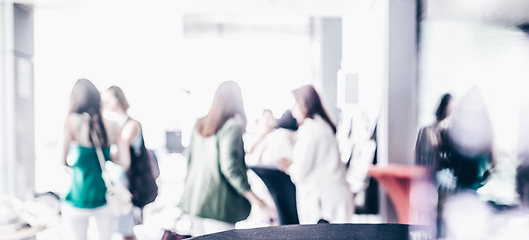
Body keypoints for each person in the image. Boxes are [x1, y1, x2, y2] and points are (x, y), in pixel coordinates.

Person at [178, 81, 274, 235]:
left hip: (195, 203)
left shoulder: (200, 124)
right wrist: (258, 201)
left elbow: (189, 162)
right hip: (218, 206)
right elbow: (230, 168)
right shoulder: (232, 126)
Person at [60, 79, 131, 240]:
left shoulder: (71, 121)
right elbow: (125, 162)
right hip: (103, 197)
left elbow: (62, 162)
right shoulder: (113, 125)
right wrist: (107, 156)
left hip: (77, 196)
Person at [278, 85, 354, 224]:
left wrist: (288, 167)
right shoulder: (321, 124)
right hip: (335, 196)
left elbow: (300, 170)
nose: (293, 110)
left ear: (304, 103)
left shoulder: (310, 127)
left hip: (325, 201)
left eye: (295, 104)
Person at [102, 86, 158, 240]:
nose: (105, 103)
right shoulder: (115, 124)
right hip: (118, 184)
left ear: (117, 99)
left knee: (126, 231)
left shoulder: (132, 125)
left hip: (129, 185)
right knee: (122, 230)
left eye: (108, 99)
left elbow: (120, 152)